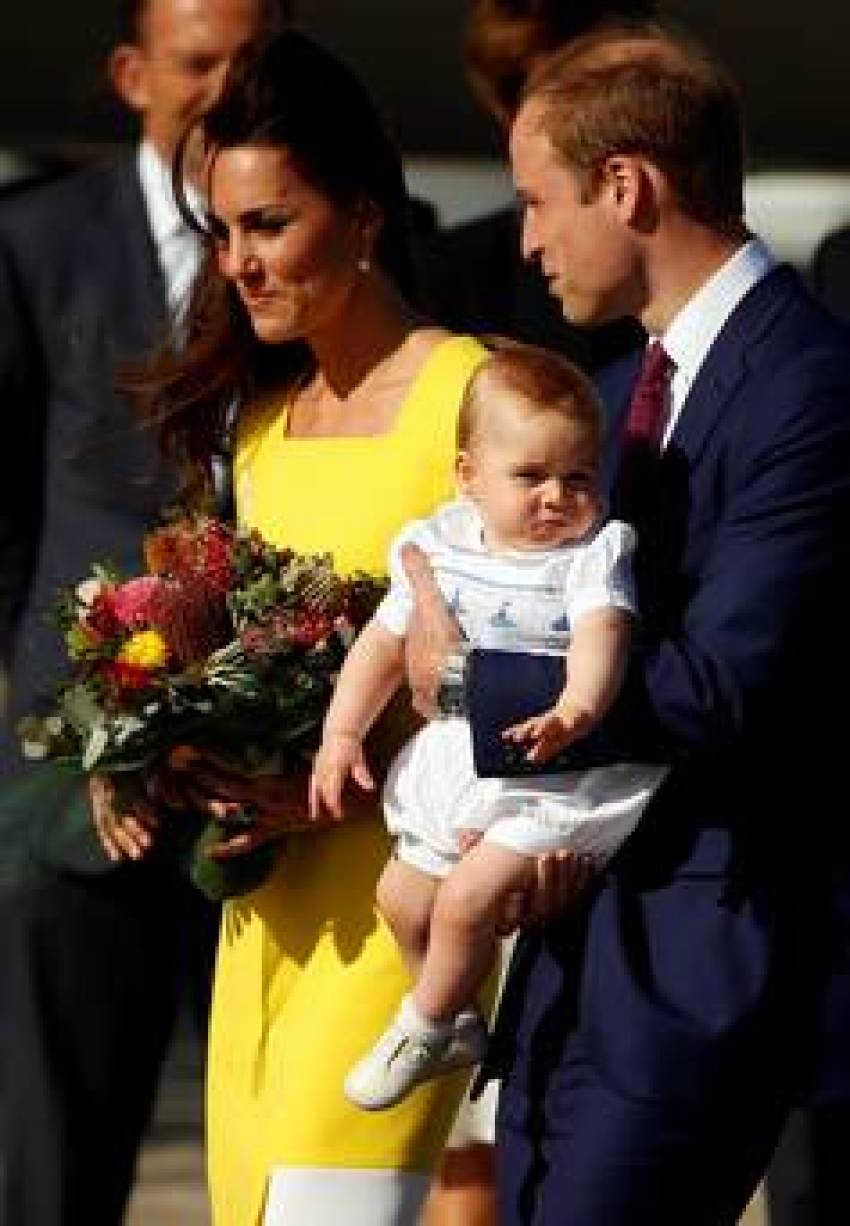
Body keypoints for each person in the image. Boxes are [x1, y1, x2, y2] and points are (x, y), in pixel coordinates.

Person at [401, 22, 850, 1225]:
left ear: (625, 185)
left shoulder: (811, 384)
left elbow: (727, 680)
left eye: (537, 201)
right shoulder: (604, 401)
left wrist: (468, 685)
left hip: (702, 952)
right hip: (569, 957)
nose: (529, 238)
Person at [109, 27, 511, 1226]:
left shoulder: (473, 396)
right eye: (222, 233)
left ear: (366, 213)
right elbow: (205, 653)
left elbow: (534, 677)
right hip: (263, 921)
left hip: (403, 923)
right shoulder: (259, 431)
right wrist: (146, 750)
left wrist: (360, 760)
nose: (239, 262)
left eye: (270, 224)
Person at [0, 2, 290, 1223]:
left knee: (276, 1160)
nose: (227, 91)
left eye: (253, 62)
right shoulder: (36, 240)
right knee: (53, 1158)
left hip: (270, 781)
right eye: (196, 63)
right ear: (132, 76)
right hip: (76, 785)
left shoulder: (325, 246)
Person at [310, 341, 666, 1112]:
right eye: (530, 476)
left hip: (553, 773)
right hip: (461, 762)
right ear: (469, 477)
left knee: (467, 901)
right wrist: (342, 733)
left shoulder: (590, 555)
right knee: (402, 896)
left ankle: (421, 1024)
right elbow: (382, 644)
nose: (556, 498)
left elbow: (603, 633)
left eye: (578, 477)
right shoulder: (437, 545)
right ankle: (459, 1022)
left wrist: (578, 705)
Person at [414, 0, 650, 371]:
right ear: (508, 113)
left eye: (609, 91)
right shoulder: (443, 281)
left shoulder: (691, 270)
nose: (586, 121)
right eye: (556, 97)